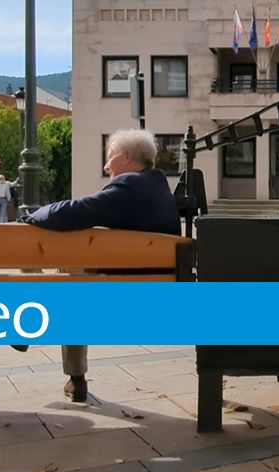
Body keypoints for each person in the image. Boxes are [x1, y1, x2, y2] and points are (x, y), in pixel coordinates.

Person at [25, 129, 181, 402]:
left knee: (69, 280)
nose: (106, 166)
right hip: (158, 288)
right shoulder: (159, 188)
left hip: (128, 295)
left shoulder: (128, 187)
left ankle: (56, 356)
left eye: (109, 157)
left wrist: (33, 215)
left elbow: (69, 212)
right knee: (73, 278)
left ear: (125, 156)